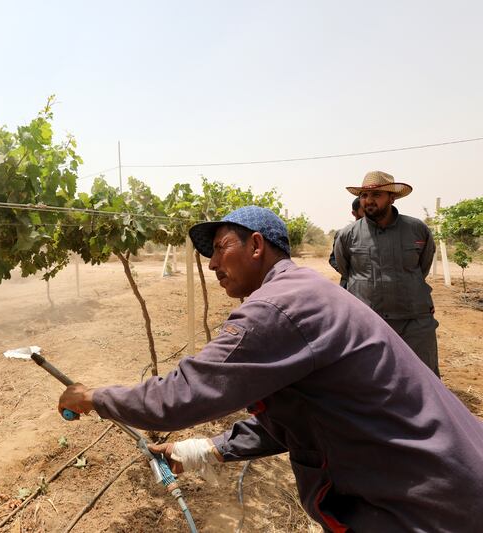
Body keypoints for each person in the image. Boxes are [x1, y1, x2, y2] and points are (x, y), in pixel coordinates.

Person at [58, 206, 483, 532]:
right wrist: (210, 449)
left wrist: (94, 397)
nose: (210, 265)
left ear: (257, 246)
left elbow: (179, 396)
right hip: (447, 479)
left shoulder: (277, 308)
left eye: (221, 247)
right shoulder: (305, 291)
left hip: (423, 504)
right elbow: (303, 413)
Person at [333, 171, 440, 376]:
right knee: (371, 380)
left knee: (423, 380)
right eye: (364, 195)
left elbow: (422, 268)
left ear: (392, 197)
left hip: (414, 322)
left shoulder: (417, 229)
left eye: (376, 195)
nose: (368, 200)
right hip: (369, 322)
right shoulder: (348, 235)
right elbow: (346, 271)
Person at [328, 197, 363, 288]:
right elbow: (333, 259)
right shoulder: (343, 234)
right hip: (348, 286)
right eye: (363, 209)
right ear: (354, 213)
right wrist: (349, 273)